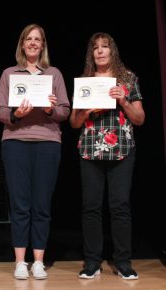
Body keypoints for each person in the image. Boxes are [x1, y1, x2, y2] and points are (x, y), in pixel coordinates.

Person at [0, 24, 70, 280]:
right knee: (20, 204)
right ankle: (20, 261)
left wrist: (50, 110)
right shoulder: (9, 74)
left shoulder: (54, 74)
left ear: (43, 44)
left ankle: (38, 261)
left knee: (41, 204)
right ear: (22, 44)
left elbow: (64, 111)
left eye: (38, 39)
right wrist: (16, 114)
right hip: (15, 142)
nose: (34, 43)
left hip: (48, 143)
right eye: (29, 39)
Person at [70, 32, 145, 280]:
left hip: (122, 148)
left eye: (105, 47)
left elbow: (140, 119)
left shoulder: (127, 78)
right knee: (91, 207)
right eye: (95, 48)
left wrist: (123, 101)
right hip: (91, 148)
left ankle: (123, 262)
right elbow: (74, 122)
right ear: (91, 54)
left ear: (112, 50)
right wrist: (85, 111)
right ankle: (92, 262)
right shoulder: (85, 81)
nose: (100, 51)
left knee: (120, 206)